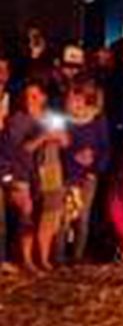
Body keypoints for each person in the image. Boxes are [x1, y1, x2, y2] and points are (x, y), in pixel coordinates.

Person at [1, 80, 70, 271]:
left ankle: (44, 258)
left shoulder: (50, 118)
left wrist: (60, 137)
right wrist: (42, 138)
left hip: (47, 173)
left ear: (43, 97)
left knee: (47, 216)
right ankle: (27, 259)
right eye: (26, 96)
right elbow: (18, 151)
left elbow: (65, 142)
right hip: (23, 173)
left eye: (34, 96)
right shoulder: (17, 121)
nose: (29, 100)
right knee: (27, 215)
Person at [62, 79, 111, 262]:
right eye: (70, 98)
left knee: (83, 216)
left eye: (77, 96)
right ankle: (59, 256)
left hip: (88, 176)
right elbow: (59, 149)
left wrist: (95, 167)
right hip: (68, 175)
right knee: (65, 218)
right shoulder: (63, 121)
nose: (73, 101)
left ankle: (77, 256)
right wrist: (73, 155)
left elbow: (105, 147)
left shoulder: (97, 119)